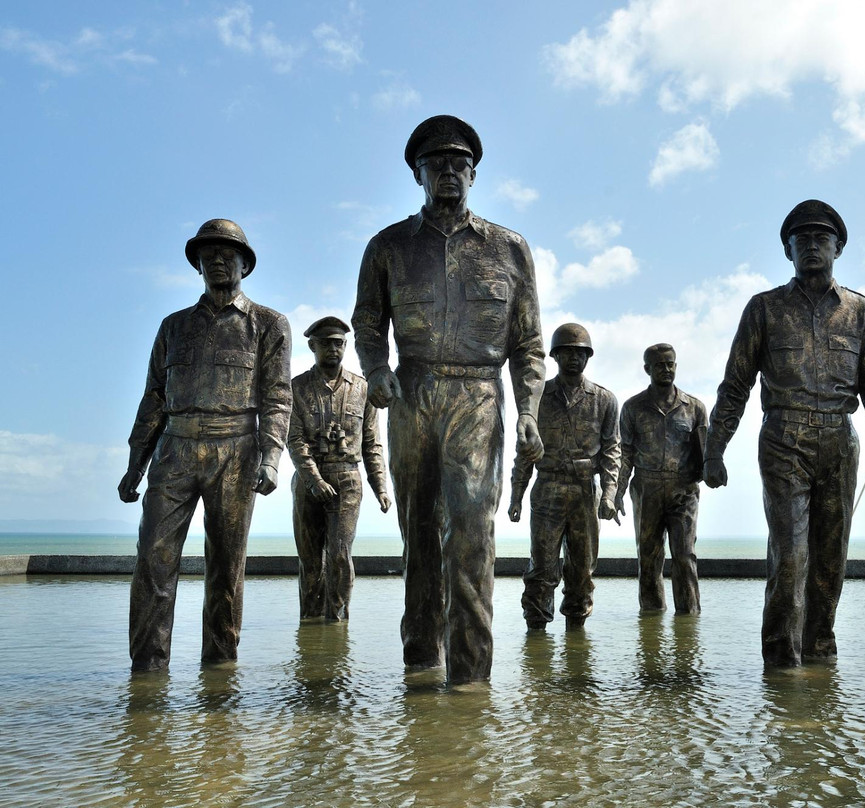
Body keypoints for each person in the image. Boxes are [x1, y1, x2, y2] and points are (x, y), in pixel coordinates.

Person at [351, 115, 546, 684]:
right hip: (412, 395)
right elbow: (367, 322)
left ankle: (470, 679)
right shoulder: (388, 246)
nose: (448, 174)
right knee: (419, 530)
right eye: (436, 166)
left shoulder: (510, 249)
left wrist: (529, 410)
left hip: (478, 397)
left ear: (474, 175)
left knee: (471, 532)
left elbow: (529, 342)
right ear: (418, 175)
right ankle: (420, 666)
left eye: (459, 166)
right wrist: (377, 369)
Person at [704, 199, 865, 667]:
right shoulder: (764, 309)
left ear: (837, 248)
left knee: (829, 563)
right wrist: (714, 450)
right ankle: (782, 667)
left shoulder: (864, 313)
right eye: (800, 240)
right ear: (787, 251)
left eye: (820, 239)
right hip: (783, 438)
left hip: (840, 443)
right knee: (789, 558)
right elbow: (735, 386)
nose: (810, 246)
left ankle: (821, 661)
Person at [118, 219, 292, 672]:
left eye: (227, 253)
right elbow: (153, 398)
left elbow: (277, 397)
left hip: (235, 449)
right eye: (208, 253)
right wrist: (135, 466)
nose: (217, 259)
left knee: (226, 568)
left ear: (244, 265)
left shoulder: (269, 324)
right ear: (197, 264)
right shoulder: (173, 326)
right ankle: (148, 673)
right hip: (173, 452)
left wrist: (272, 458)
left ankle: (219, 674)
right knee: (153, 562)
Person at [508, 323, 620, 631]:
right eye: (567, 352)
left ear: (588, 357)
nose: (574, 358)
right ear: (555, 356)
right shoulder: (539, 398)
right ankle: (536, 636)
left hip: (585, 492)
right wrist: (516, 496)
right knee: (541, 568)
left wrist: (609, 494)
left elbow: (612, 451)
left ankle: (576, 639)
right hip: (547, 490)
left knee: (582, 570)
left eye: (580, 353)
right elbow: (525, 451)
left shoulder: (604, 400)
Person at [288, 316, 391, 623]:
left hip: (348, 479)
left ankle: (337, 622)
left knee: (339, 555)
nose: (333, 349)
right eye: (326, 343)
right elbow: (293, 439)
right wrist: (314, 479)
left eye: (339, 343)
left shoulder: (363, 389)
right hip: (308, 481)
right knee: (309, 558)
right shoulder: (296, 388)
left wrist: (381, 487)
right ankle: (309, 622)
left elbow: (373, 444)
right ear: (312, 346)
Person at [616, 343, 708, 614]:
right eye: (659, 365)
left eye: (670, 364)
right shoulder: (633, 408)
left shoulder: (695, 408)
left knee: (684, 557)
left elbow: (706, 455)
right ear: (648, 369)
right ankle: (651, 620)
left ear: (676, 366)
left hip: (683, 490)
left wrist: (712, 470)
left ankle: (688, 621)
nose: (666, 369)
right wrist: (618, 492)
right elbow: (625, 454)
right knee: (649, 558)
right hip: (646, 489)